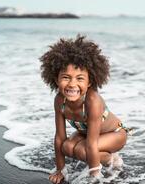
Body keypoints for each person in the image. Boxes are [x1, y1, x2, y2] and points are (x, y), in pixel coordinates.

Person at [40, 35, 131, 184]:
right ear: (56, 80)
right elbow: (59, 138)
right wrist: (60, 170)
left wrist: (94, 177)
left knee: (82, 150)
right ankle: (103, 157)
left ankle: (111, 160)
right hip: (87, 134)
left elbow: (92, 144)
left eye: (80, 78)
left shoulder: (92, 101)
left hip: (115, 134)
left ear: (90, 82)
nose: (72, 84)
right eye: (66, 77)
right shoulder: (59, 101)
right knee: (67, 147)